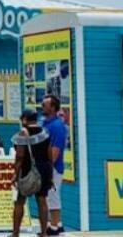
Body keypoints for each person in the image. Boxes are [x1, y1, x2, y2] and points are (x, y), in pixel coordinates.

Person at [11, 109, 51, 237]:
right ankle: (44, 232)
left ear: (24, 119)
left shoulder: (23, 133)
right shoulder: (44, 132)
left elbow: (19, 156)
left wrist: (15, 174)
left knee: (20, 200)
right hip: (44, 168)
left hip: (28, 169)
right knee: (42, 199)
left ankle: (15, 233)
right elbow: (49, 153)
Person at [41, 95, 68, 236]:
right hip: (45, 166)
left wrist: (47, 167)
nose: (42, 106)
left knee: (53, 195)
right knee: (48, 196)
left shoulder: (58, 126)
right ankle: (58, 224)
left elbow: (55, 150)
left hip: (54, 168)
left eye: (45, 104)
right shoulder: (45, 123)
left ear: (52, 107)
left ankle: (55, 227)